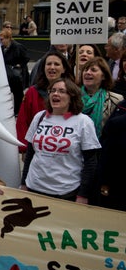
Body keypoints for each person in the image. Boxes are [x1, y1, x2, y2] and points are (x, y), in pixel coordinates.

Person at [22, 77, 101, 205]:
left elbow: (90, 162)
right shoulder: (39, 117)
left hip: (65, 193)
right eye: (52, 90)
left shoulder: (83, 122)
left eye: (61, 91)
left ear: (72, 97)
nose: (55, 94)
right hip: (34, 188)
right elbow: (30, 153)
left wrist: (83, 194)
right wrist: (23, 183)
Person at [17, 51, 72, 153]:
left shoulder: (73, 92)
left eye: (56, 64)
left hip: (65, 148)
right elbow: (23, 121)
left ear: (64, 69)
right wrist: (24, 148)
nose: (52, 67)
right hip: (37, 149)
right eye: (48, 64)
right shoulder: (32, 92)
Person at [80, 57, 123, 138]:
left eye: (93, 70)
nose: (88, 72)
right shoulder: (71, 97)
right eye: (85, 70)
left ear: (103, 76)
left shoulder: (116, 99)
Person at [0, 25, 29, 115]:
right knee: (7, 93)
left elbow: (26, 58)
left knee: (18, 94)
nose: (1, 41)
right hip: (8, 74)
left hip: (17, 75)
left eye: (2, 39)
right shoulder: (2, 48)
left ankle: (18, 111)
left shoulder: (18, 47)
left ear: (8, 39)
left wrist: (19, 65)